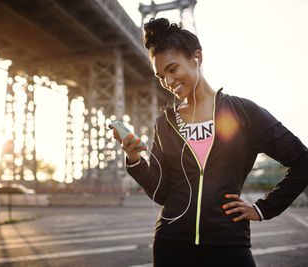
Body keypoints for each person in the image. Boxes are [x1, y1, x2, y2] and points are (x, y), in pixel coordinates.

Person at [112, 18, 308, 267]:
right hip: (171, 244)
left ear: (197, 58)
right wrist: (135, 160)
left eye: (173, 69)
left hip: (228, 243)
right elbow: (161, 192)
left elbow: (302, 161)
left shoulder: (244, 112)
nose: (168, 82)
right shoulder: (165, 123)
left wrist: (263, 209)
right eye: (161, 76)